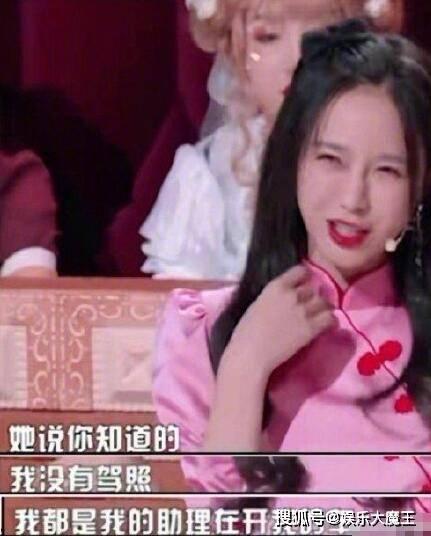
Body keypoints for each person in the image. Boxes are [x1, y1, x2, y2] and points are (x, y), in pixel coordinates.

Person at [152, 19, 431, 514]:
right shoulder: (208, 331)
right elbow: (220, 519)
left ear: (420, 187)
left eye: (387, 170)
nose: (354, 199)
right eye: (331, 160)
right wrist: (246, 365)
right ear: (292, 161)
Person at [139, 0, 402, 280]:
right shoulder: (210, 175)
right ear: (233, 50)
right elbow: (179, 295)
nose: (295, 60)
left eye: (320, 36)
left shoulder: (400, 154)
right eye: (268, 37)